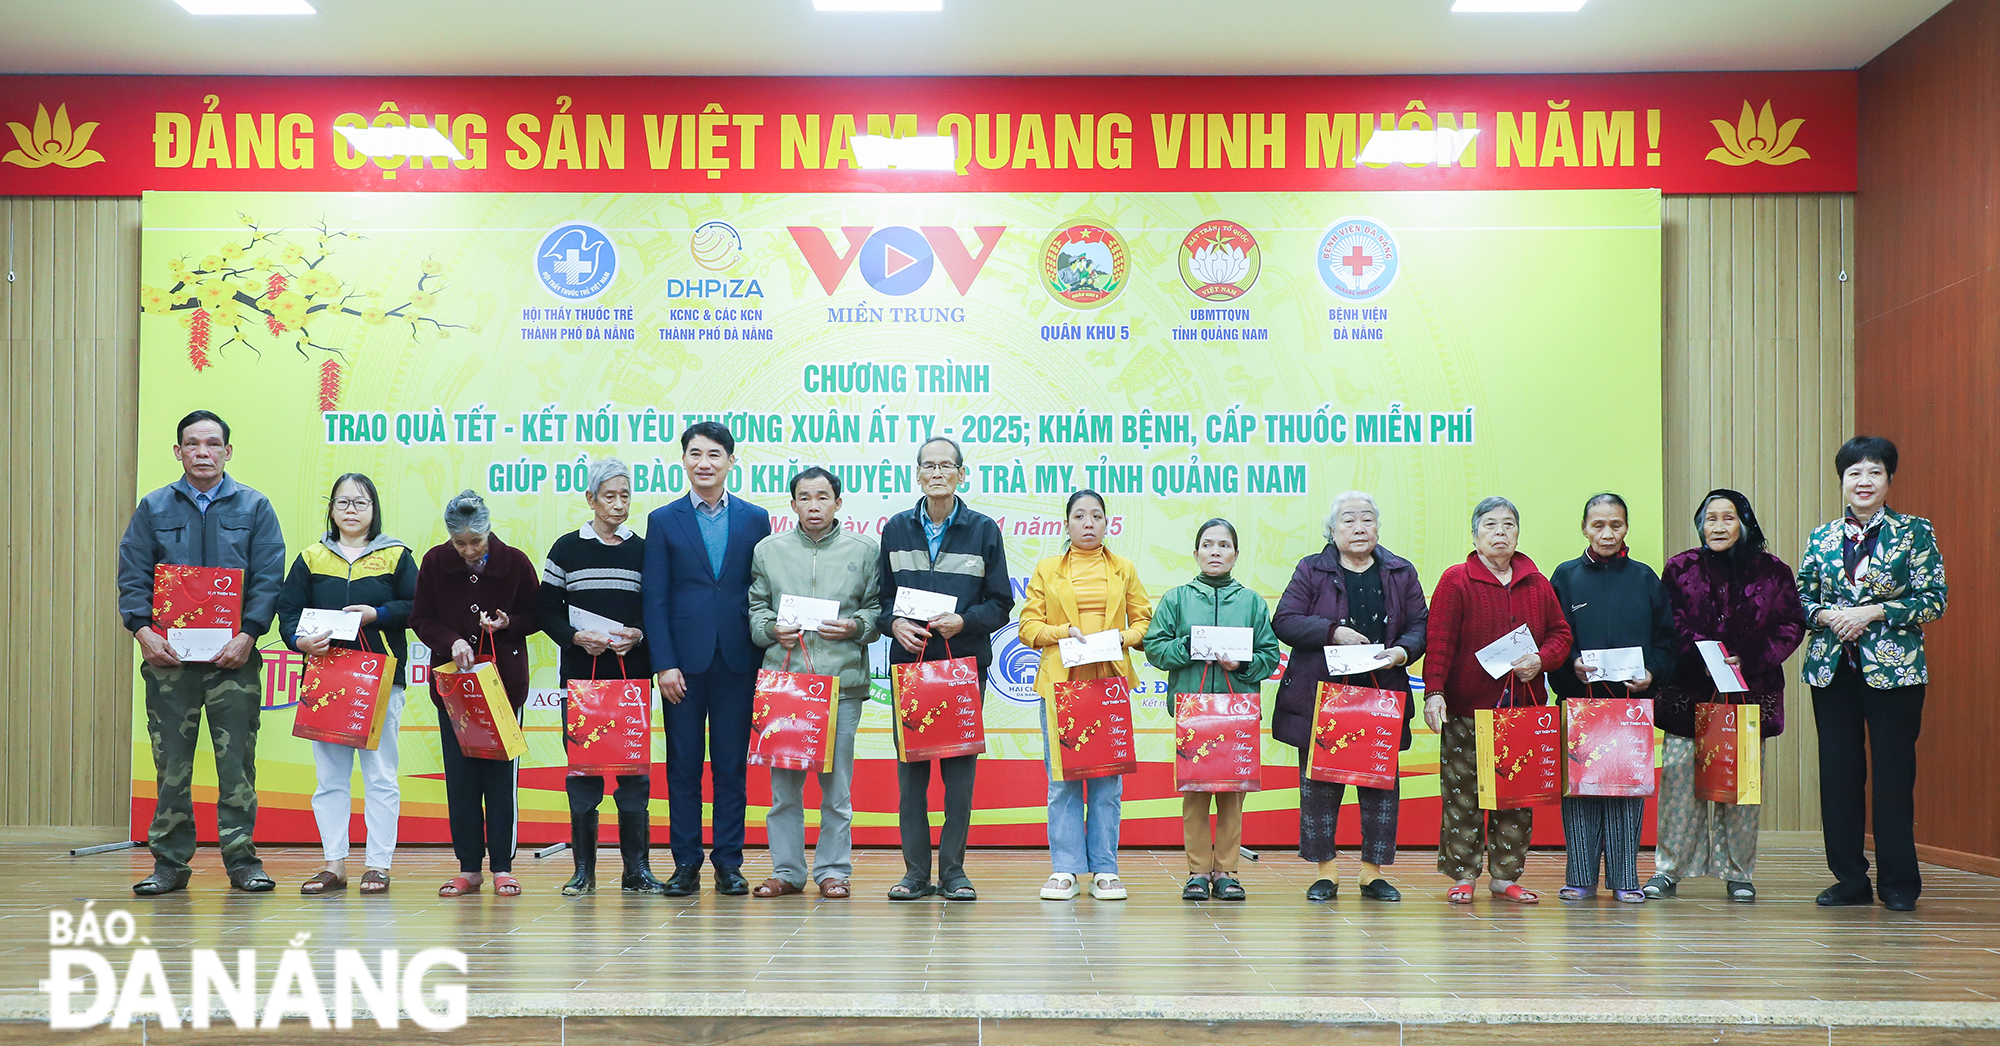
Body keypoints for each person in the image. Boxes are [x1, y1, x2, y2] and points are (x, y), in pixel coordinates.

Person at [118, 410, 287, 895]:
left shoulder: (254, 507)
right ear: (178, 452)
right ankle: (169, 863)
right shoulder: (154, 508)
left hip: (234, 660)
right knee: (171, 763)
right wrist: (142, 632)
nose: (203, 453)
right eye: (192, 444)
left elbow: (268, 578)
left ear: (227, 452)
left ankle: (242, 861)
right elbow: (133, 574)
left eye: (213, 444)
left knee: (237, 763)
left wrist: (250, 634)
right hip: (169, 661)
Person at [1798, 436, 1947, 912]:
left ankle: (1899, 883)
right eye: (1854, 474)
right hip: (1833, 670)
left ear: (1888, 479)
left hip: (1895, 672)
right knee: (1838, 776)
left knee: (1893, 776)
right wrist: (1824, 616)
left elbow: (1933, 599)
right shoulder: (1821, 538)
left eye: (1874, 472)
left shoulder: (1915, 533)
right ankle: (1849, 880)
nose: (1864, 482)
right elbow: (1800, 598)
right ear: (1842, 481)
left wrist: (1874, 612)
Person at [1271, 491, 1428, 903]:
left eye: (1367, 520)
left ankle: (1371, 874)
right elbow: (1284, 620)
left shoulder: (1400, 571)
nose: (1359, 528)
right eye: (1348, 520)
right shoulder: (1312, 569)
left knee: (1379, 788)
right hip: (1324, 696)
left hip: (1382, 693)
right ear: (1332, 530)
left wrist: (1403, 651)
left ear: (1378, 527)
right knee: (1320, 790)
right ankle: (1327, 873)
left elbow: (1420, 625)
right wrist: (1331, 632)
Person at [878, 436, 1015, 901]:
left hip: (961, 670)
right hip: (911, 670)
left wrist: (966, 621)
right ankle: (916, 873)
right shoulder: (896, 528)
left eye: (946, 466)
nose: (937, 473)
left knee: (958, 777)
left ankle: (954, 872)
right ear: (917, 474)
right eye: (929, 466)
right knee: (911, 777)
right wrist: (893, 623)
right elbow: (879, 603)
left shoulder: (983, 529)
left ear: (962, 474)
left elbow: (1002, 604)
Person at [1653, 488, 1805, 903]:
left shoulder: (1774, 572)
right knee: (1680, 787)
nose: (1718, 526)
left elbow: (1791, 626)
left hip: (1748, 696)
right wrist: (1702, 655)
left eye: (1728, 517)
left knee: (1740, 790)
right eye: (1710, 518)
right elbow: (1668, 623)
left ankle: (1739, 872)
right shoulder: (1680, 567)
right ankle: (1669, 870)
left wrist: (1748, 658)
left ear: (1745, 523)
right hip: (1689, 694)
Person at [641, 422, 772, 897]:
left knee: (732, 767)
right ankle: (685, 864)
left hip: (740, 660)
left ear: (730, 462)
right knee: (683, 767)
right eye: (695, 454)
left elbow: (762, 590)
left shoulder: (756, 519)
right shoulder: (664, 519)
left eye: (714, 455)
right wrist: (664, 664)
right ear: (684, 461)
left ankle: (729, 865)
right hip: (683, 667)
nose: (704, 463)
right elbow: (654, 599)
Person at [1422, 496, 1572, 905]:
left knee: (1516, 798)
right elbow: (1438, 644)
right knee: (1462, 795)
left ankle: (1506, 876)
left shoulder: (1537, 583)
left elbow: (1560, 634)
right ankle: (1464, 875)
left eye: (1508, 525)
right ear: (1474, 535)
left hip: (1521, 710)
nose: (1500, 533)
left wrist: (1541, 660)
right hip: (1467, 709)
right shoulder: (1456, 580)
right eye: (1490, 525)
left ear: (1518, 533)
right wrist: (1434, 692)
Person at [277, 473, 418, 896]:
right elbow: (287, 613)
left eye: (360, 502)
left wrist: (378, 614)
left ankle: (378, 865)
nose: (351, 510)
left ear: (374, 509)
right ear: (332, 509)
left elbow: (417, 606)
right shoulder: (312, 557)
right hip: (327, 680)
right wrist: (299, 642)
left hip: (380, 679)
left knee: (380, 776)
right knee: (330, 778)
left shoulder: (396, 555)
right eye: (343, 503)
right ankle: (333, 864)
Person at [746, 467, 882, 900]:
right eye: (805, 498)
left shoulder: (864, 550)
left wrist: (856, 625)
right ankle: (787, 871)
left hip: (841, 685)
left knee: (836, 790)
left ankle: (833, 871)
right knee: (784, 791)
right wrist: (770, 629)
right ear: (793, 505)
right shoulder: (769, 550)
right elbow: (755, 609)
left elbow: (879, 610)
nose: (814, 506)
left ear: (838, 503)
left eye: (823, 497)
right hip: (785, 684)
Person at [1019, 489, 1154, 902]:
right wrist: (1063, 633)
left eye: (1097, 516)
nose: (1089, 523)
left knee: (1106, 782)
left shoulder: (1124, 568)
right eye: (1080, 516)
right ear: (1067, 524)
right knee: (1061, 781)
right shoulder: (1046, 569)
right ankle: (1064, 868)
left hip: (1108, 683)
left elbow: (1144, 622)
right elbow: (1028, 627)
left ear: (1108, 523)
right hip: (1062, 684)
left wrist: (1120, 639)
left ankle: (1105, 870)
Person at [537, 459, 660, 897]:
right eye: (609, 496)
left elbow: (656, 607)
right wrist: (574, 637)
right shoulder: (566, 548)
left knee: (634, 775)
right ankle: (583, 872)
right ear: (590, 499)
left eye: (625, 496)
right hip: (582, 680)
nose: (618, 504)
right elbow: (545, 609)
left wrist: (639, 634)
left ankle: (637, 871)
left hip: (631, 679)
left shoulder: (644, 549)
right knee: (583, 773)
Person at [1143, 518, 1281, 901]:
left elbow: (1270, 655)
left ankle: (1228, 872)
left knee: (1234, 795)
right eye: (1207, 545)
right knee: (1196, 794)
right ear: (1196, 553)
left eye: (1223, 545)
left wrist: (1243, 665)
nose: (1215, 551)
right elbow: (1155, 648)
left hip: (1238, 711)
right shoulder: (1176, 598)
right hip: (1194, 711)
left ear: (1236, 554)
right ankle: (1197, 872)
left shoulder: (1251, 601)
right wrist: (1189, 645)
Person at [1549, 493, 1676, 904]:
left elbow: (1667, 641)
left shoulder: (1644, 579)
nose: (1607, 533)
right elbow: (1552, 637)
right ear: (1584, 528)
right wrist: (1570, 663)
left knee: (1625, 792)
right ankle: (1580, 876)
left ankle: (1625, 877)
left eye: (1616, 525)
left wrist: (1652, 674)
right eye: (1598, 525)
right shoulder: (1565, 577)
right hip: (1578, 702)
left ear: (1626, 528)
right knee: (1581, 793)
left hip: (1629, 706)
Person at [411, 491, 539, 898]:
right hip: (454, 690)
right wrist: (451, 642)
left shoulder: (514, 562)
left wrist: (508, 623)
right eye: (460, 543)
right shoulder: (434, 562)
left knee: (501, 780)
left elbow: (538, 615)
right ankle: (469, 867)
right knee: (461, 781)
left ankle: (502, 866)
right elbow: (420, 618)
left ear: (489, 531)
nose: (468, 551)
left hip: (502, 689)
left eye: (476, 542)